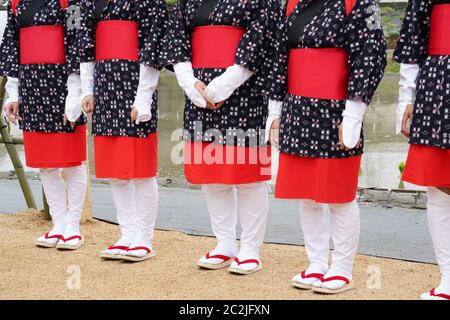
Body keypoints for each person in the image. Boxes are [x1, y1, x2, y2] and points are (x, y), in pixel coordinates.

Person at [267, 0, 386, 293]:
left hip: (337, 111)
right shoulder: (292, 3)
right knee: (306, 194)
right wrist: (275, 110)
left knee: (339, 193)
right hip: (297, 109)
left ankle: (342, 267)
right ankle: (317, 263)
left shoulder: (358, 3)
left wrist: (354, 113)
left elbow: (371, 55)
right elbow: (280, 58)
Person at [161, 0, 279, 275]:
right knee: (211, 173)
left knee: (248, 175)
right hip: (199, 90)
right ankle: (225, 243)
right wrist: (190, 84)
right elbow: (177, 37)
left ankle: (250, 248)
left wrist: (224, 85)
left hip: (245, 90)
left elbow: (262, 38)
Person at [78, 0, 168, 262]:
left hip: (135, 84)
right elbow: (86, 44)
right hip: (105, 85)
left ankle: (144, 237)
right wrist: (87, 88)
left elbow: (153, 46)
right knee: (115, 169)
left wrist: (143, 96)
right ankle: (127, 234)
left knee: (141, 169)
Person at [0, 0, 87, 250]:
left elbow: (77, 44)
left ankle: (73, 225)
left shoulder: (71, 3)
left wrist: (74, 93)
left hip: (62, 87)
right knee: (45, 164)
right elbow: (12, 47)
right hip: (31, 88)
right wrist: (13, 94)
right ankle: (58, 224)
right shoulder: (16, 3)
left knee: (71, 161)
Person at [394, 0, 450, 300]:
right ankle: (449, 277)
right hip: (439, 86)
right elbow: (414, 39)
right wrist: (407, 97)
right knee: (440, 186)